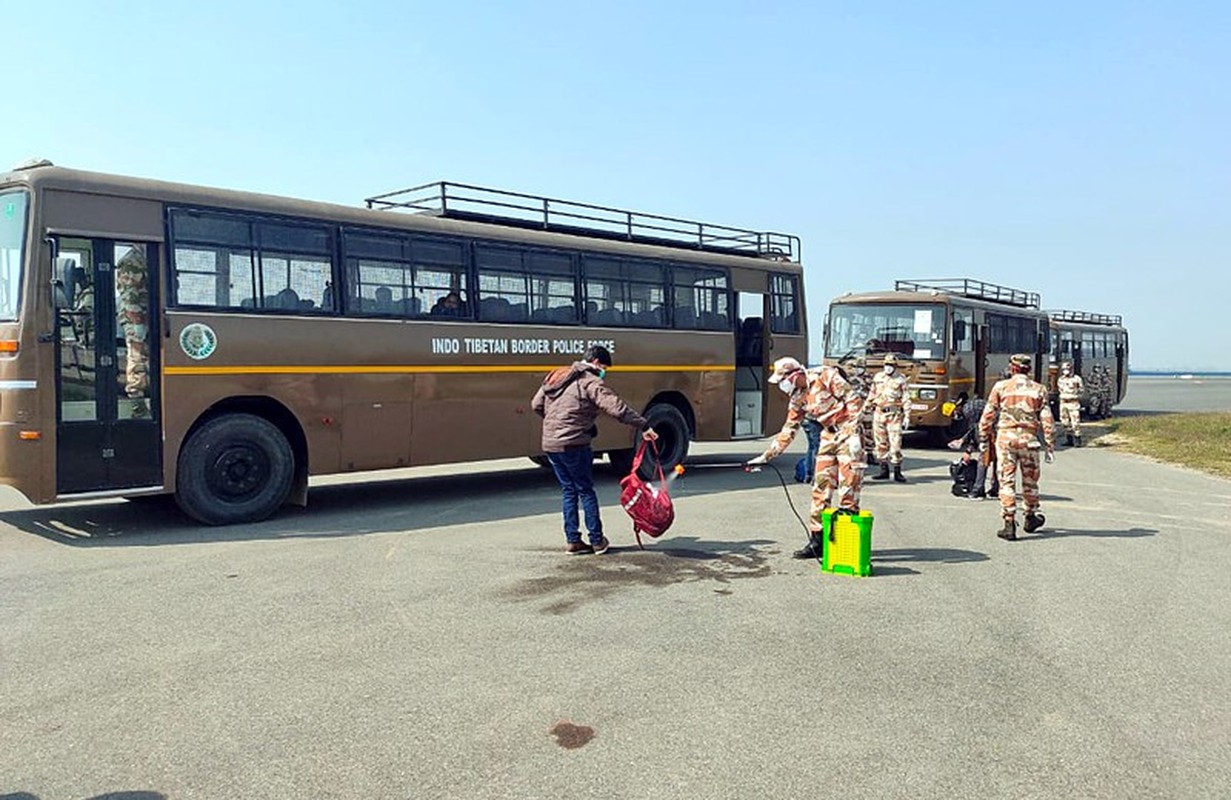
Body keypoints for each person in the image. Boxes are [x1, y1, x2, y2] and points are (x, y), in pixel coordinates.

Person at [532, 345, 658, 555]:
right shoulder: (590, 381)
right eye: (605, 368)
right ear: (597, 363)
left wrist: (556, 424)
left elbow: (536, 404)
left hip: (551, 444)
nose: (604, 373)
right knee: (585, 490)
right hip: (574, 444)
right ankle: (597, 540)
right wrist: (644, 425)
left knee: (569, 491)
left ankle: (573, 540)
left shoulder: (557, 375)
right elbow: (617, 408)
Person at [746, 356, 865, 559]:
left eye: (783, 379)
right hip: (827, 435)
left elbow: (853, 400)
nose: (782, 385)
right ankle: (817, 541)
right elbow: (789, 429)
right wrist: (767, 456)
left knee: (848, 488)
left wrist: (854, 433)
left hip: (847, 433)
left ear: (796, 374)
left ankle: (847, 541)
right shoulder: (797, 397)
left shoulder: (825, 376)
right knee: (819, 488)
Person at [978, 353, 1056, 541]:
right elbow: (1047, 419)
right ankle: (1030, 516)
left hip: (1006, 439)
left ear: (1012, 368)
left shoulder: (1001, 387)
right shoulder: (1039, 389)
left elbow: (988, 414)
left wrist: (982, 437)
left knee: (1006, 481)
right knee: (1030, 481)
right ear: (1028, 369)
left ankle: (1009, 523)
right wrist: (1049, 444)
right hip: (1029, 440)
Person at [115, 246, 150, 418]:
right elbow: (129, 293)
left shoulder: (142, 257)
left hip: (143, 315)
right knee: (136, 357)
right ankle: (137, 402)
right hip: (135, 315)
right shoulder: (133, 261)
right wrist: (137, 321)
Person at [869, 353, 910, 482]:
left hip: (894, 415)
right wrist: (864, 410)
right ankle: (883, 469)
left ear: (895, 366)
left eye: (891, 365)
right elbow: (872, 394)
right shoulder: (878, 377)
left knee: (895, 444)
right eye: (886, 365)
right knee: (880, 443)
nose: (888, 367)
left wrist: (907, 416)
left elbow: (906, 398)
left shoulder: (901, 379)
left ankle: (897, 471)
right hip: (879, 414)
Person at [1057, 361, 1085, 446]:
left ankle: (1077, 439)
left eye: (1067, 369)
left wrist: (1076, 397)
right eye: (1064, 369)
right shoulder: (1060, 379)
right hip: (1063, 403)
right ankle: (1069, 439)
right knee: (1064, 422)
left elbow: (1081, 390)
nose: (1065, 371)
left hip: (1073, 403)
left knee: (1075, 422)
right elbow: (1060, 390)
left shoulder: (1077, 379)